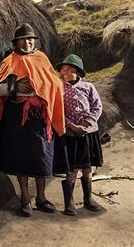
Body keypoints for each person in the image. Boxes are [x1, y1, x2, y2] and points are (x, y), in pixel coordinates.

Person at [0, 23, 66, 217]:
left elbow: (56, 82)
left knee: (42, 155)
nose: (27, 42)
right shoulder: (9, 61)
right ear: (16, 42)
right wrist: (14, 87)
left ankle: (41, 198)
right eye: (23, 39)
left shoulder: (42, 59)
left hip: (40, 117)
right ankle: (25, 198)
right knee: (20, 156)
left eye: (30, 39)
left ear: (35, 41)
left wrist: (41, 89)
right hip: (16, 115)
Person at [57, 54, 103, 216]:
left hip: (88, 133)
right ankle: (69, 202)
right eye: (63, 70)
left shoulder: (89, 87)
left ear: (78, 72)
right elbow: (58, 112)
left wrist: (85, 125)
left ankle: (88, 199)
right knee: (72, 168)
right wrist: (71, 126)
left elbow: (97, 107)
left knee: (88, 167)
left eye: (69, 70)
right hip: (71, 135)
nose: (65, 73)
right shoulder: (60, 89)